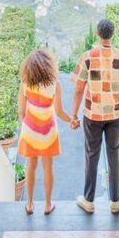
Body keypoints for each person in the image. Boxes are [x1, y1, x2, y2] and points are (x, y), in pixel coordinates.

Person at [70, 18, 119, 215]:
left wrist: (73, 114)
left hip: (93, 114)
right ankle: (115, 201)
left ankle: (88, 200)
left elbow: (79, 89)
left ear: (98, 34)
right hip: (115, 113)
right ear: (112, 34)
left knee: (92, 154)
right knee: (114, 154)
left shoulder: (87, 57)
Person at [17, 49, 78, 215]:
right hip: (49, 132)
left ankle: (29, 204)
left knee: (31, 166)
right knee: (48, 167)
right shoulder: (54, 85)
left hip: (30, 131)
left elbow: (21, 112)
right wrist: (71, 120)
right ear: (49, 66)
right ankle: (47, 205)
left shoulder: (25, 84)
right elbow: (59, 112)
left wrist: (29, 125)